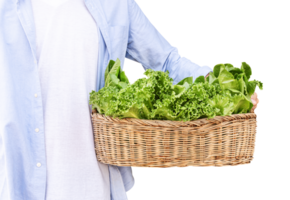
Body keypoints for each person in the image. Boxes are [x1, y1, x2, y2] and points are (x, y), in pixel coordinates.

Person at [0, 0, 260, 200]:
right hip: (22, 185)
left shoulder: (115, 3)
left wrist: (230, 88)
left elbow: (167, 60)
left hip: (99, 186)